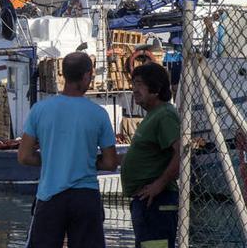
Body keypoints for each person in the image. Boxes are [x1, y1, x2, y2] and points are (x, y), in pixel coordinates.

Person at [17, 51, 119, 248]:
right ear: (87, 75)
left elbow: (24, 156)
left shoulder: (39, 110)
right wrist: (88, 160)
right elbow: (110, 162)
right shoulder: (99, 114)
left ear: (63, 74)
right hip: (85, 196)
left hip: (50, 196)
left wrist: (50, 158)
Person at [121, 62, 180, 248]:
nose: (134, 89)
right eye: (133, 83)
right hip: (147, 203)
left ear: (155, 88)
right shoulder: (153, 115)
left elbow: (182, 153)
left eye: (139, 84)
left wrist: (158, 185)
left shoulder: (164, 115)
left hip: (157, 201)